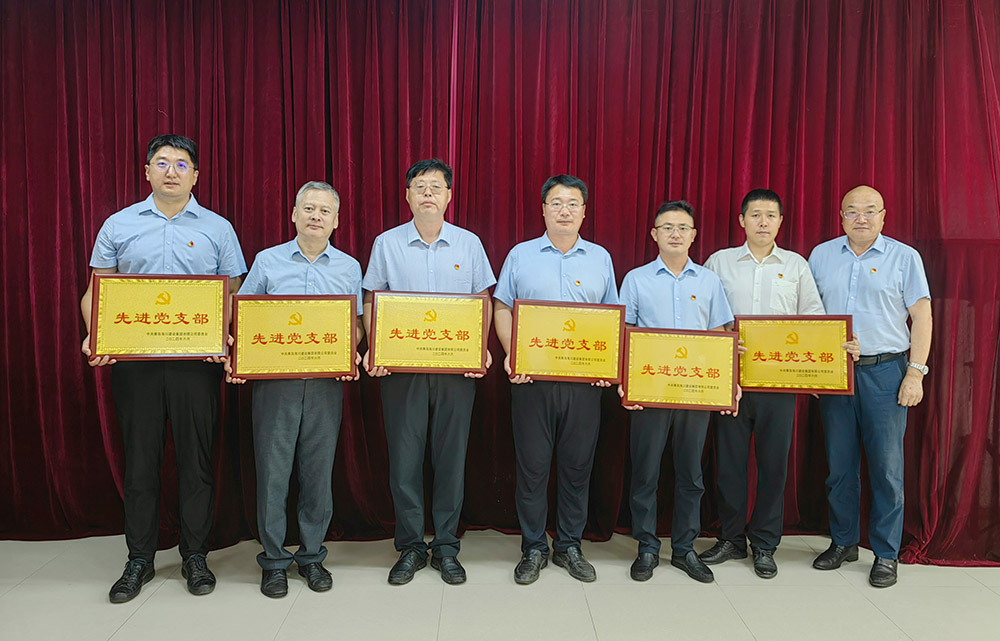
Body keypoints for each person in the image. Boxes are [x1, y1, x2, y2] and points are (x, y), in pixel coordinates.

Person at [80, 134, 247, 603]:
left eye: (181, 164)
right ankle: (139, 558)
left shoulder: (218, 228)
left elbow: (233, 294)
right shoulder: (119, 224)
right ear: (147, 171)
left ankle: (195, 555)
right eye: (161, 162)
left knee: (197, 462)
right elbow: (96, 292)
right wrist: (95, 335)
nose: (171, 171)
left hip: (197, 364)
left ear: (196, 175)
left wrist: (223, 338)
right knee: (140, 463)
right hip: (137, 365)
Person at [362, 159, 495, 585]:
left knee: (451, 458)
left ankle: (447, 547)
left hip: (456, 370)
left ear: (449, 196)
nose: (428, 194)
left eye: (436, 187)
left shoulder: (469, 244)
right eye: (419, 187)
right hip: (401, 370)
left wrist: (479, 349)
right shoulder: (387, 243)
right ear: (407, 195)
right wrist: (375, 347)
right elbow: (372, 300)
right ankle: (410, 547)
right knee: (404, 459)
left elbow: (482, 300)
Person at [700, 189, 845, 578]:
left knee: (773, 466)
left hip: (779, 383)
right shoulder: (719, 262)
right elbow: (705, 315)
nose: (763, 222)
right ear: (741, 220)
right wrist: (724, 337)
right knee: (729, 464)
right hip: (731, 381)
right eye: (755, 215)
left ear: (781, 221)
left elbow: (813, 319)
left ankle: (765, 543)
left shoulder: (796, 265)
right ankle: (731, 538)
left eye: (770, 215)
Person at [226, 181, 362, 598]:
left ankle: (312, 556)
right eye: (309, 208)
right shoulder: (267, 261)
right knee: (273, 472)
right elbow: (243, 316)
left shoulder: (349, 267)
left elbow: (355, 324)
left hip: (325, 384)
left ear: (336, 221)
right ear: (294, 214)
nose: (316, 216)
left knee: (318, 472)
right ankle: (273, 561)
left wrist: (349, 354)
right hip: (276, 384)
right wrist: (241, 358)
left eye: (325, 211)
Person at [493, 174, 619, 585]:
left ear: (584, 211)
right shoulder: (520, 254)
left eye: (573, 204)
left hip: (584, 384)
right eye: (557, 203)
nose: (565, 211)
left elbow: (611, 317)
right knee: (532, 467)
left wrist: (606, 364)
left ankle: (568, 545)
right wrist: (513, 354)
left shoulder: (600, 258)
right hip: (532, 381)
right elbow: (502, 308)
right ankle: (533, 547)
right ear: (543, 209)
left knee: (577, 467)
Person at [808, 185, 932, 588]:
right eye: (852, 211)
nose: (860, 218)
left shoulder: (904, 257)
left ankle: (885, 553)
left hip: (886, 371)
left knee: (886, 468)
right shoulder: (821, 255)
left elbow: (922, 316)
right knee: (839, 466)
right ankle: (843, 542)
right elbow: (808, 315)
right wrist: (810, 372)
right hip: (835, 374)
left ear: (883, 215)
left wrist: (915, 373)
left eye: (869, 210)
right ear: (841, 216)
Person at [618, 200, 734, 583]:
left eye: (683, 227)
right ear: (654, 234)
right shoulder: (636, 279)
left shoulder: (709, 281)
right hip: (649, 389)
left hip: (696, 391)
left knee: (691, 473)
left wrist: (723, 384)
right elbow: (625, 333)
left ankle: (685, 548)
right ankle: (647, 547)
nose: (675, 234)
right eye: (667, 227)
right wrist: (627, 382)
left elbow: (719, 334)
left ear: (693, 235)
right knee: (645, 472)